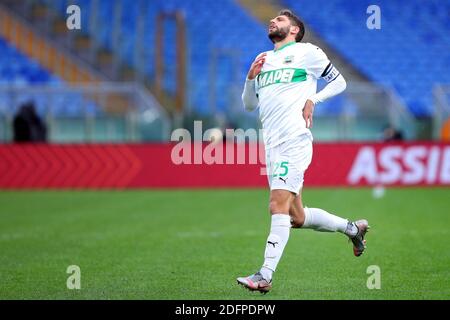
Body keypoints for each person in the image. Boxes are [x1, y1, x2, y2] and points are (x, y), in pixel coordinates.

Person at [237, 9, 370, 294]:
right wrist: (250, 79)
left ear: (295, 30)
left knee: (277, 205)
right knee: (296, 216)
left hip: (294, 140)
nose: (273, 21)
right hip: (272, 146)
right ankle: (352, 229)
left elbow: (340, 81)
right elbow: (249, 105)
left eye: (281, 20)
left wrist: (313, 97)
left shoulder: (308, 52)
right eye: (273, 20)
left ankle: (265, 274)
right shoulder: (264, 59)